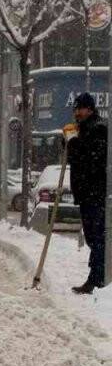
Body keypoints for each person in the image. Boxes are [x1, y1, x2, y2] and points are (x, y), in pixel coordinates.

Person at [68, 92, 108, 294]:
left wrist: (73, 142)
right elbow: (75, 159)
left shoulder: (98, 129)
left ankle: (98, 280)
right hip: (87, 193)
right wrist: (68, 141)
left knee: (97, 237)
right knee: (94, 238)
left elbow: (91, 161)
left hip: (96, 193)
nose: (77, 113)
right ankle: (97, 278)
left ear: (90, 109)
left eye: (80, 109)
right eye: (75, 109)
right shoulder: (83, 129)